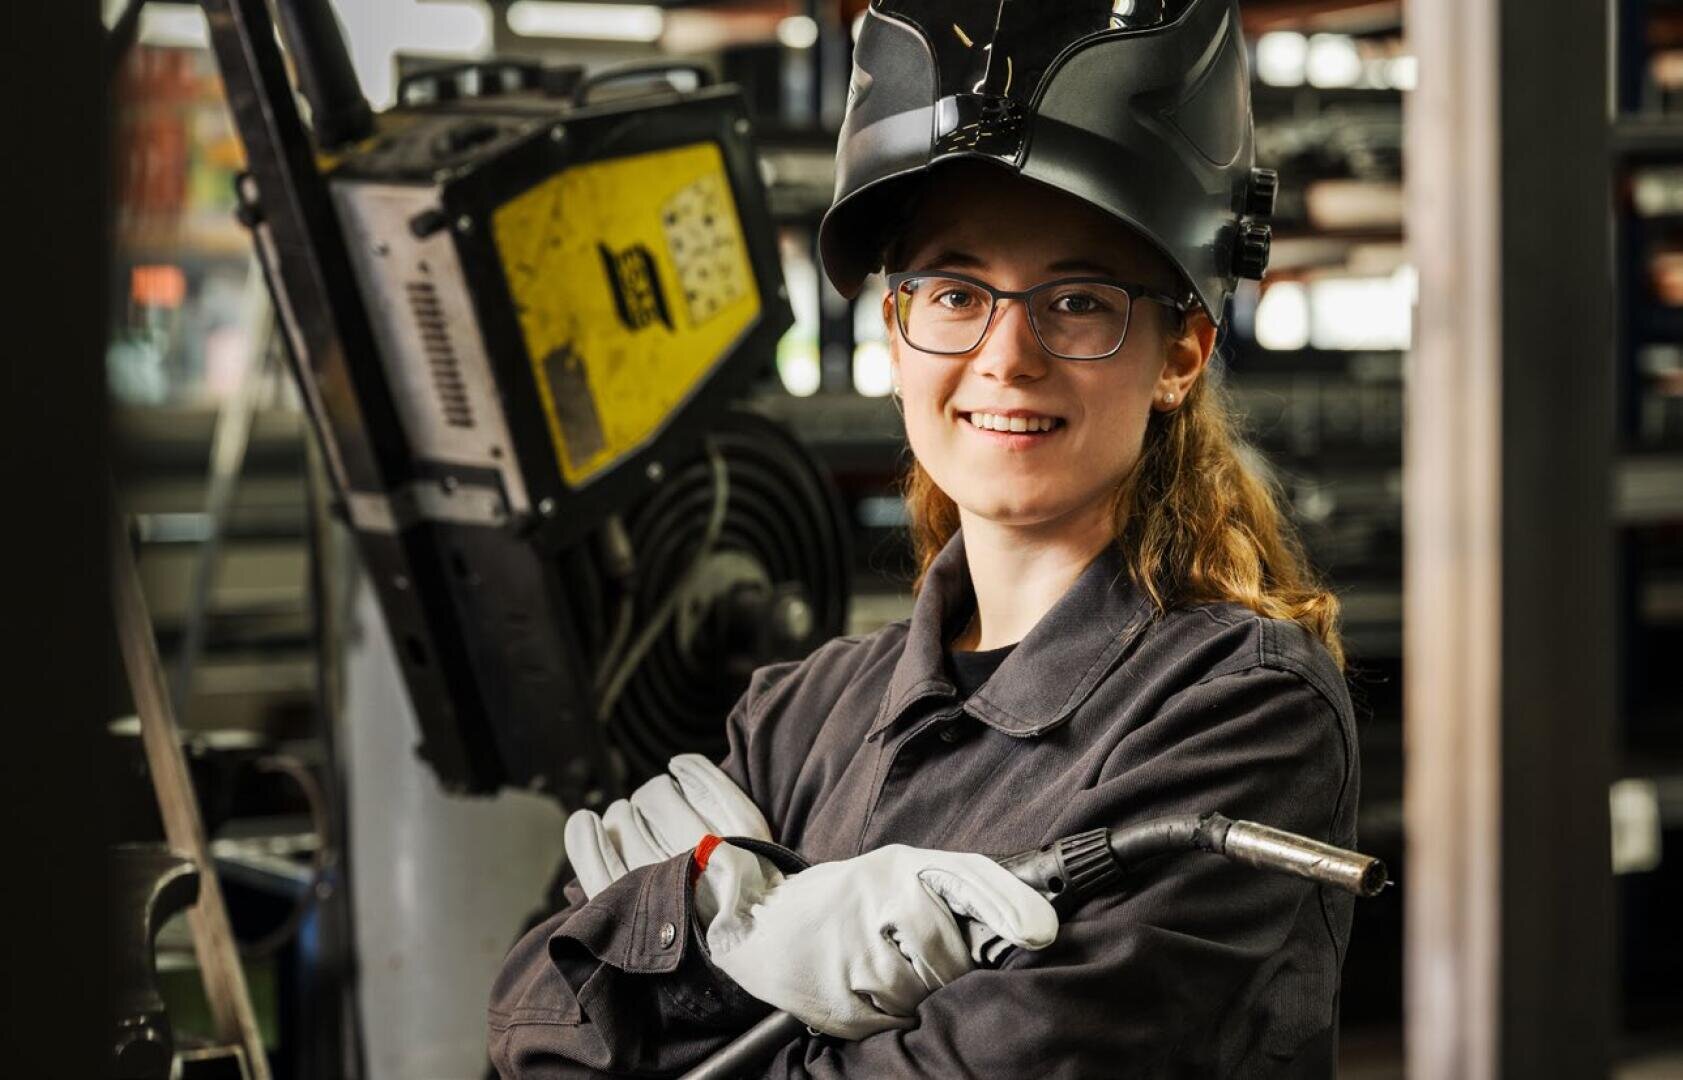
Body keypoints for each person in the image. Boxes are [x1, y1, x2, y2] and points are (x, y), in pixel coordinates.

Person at [489, 1, 1359, 1076]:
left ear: (1181, 354)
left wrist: (680, 981)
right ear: (897, 333)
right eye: (953, 291)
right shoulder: (798, 715)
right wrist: (735, 940)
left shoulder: (1238, 712)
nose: (1006, 355)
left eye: (1079, 301)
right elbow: (533, 1021)